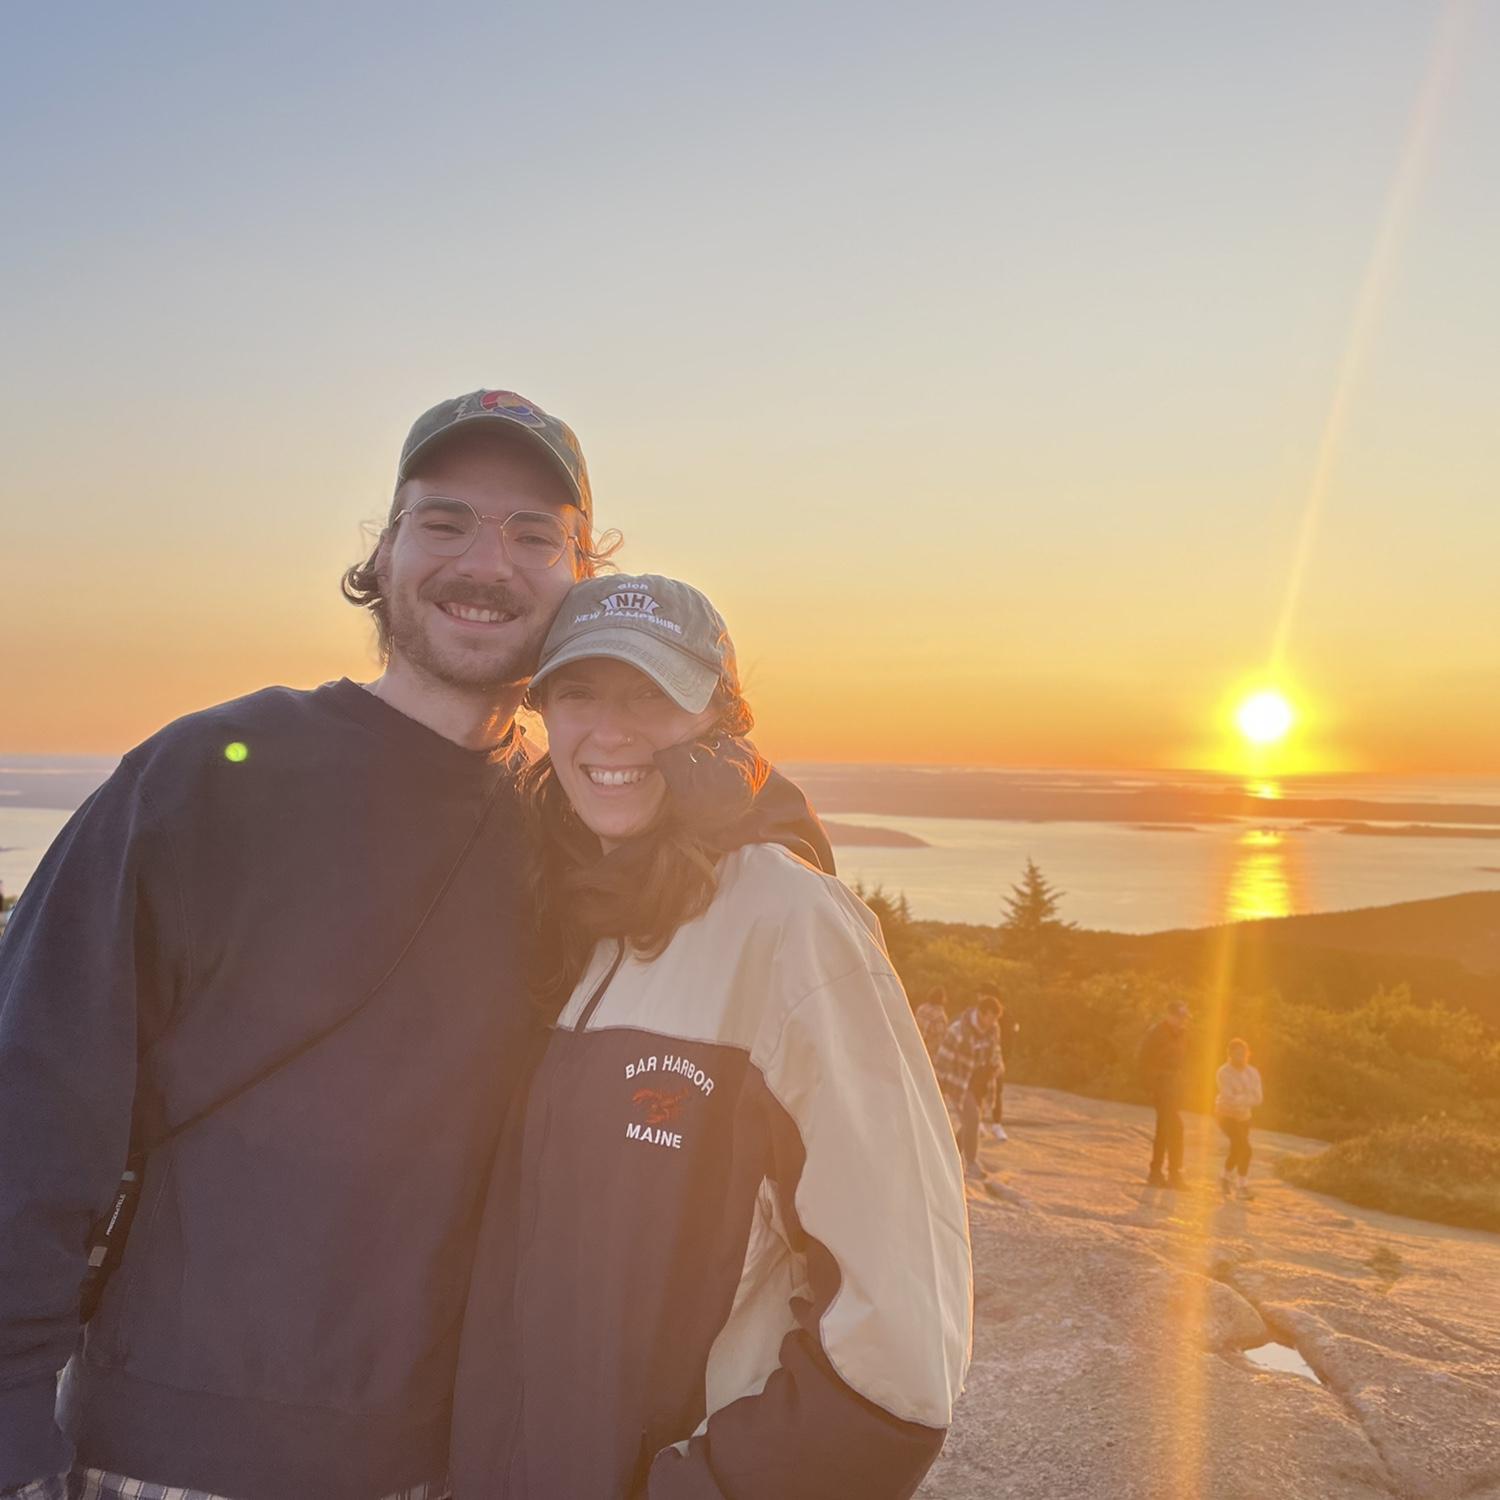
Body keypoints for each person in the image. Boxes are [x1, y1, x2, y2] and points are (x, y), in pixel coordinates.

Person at [0, 393, 828, 1500]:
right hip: (174, 1454)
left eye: (534, 535)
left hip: (451, 1463)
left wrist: (733, 785)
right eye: (444, 524)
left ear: (579, 573)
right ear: (383, 550)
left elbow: (755, 847)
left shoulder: (566, 828)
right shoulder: (210, 774)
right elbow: (32, 1099)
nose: (486, 562)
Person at [451, 574, 970, 1500]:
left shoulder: (789, 921)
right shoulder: (558, 910)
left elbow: (903, 1347)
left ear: (718, 721)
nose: (610, 732)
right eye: (578, 692)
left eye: (651, 694)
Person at [934, 994, 1002, 1179]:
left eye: (996, 1018)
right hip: (958, 1082)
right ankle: (971, 1164)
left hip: (979, 1082)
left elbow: (995, 1050)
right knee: (972, 1118)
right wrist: (937, 1088)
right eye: (991, 1017)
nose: (994, 1022)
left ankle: (949, 1153)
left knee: (970, 1121)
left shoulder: (993, 1028)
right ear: (981, 1013)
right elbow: (942, 1059)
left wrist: (996, 1066)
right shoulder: (958, 1031)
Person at [1139, 999, 1191, 1188]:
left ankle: (1161, 1172)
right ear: (1169, 1015)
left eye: (1184, 1017)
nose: (1181, 1020)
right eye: (1178, 1016)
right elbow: (1144, 1059)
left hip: (1174, 1086)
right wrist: (1150, 1087)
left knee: (1167, 1128)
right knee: (1173, 1128)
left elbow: (1183, 1062)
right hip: (1161, 1085)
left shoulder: (1182, 1034)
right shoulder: (1157, 1033)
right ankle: (1168, 1173)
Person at [1215, 1038, 1264, 1199]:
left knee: (1237, 1149)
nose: (1241, 1057)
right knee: (1245, 1149)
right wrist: (1247, 1097)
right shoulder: (1224, 1072)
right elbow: (1229, 1098)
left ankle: (1224, 1178)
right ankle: (1242, 1187)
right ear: (1230, 1054)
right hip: (1225, 1115)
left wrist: (1241, 1097)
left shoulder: (1253, 1072)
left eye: (1244, 1053)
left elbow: (1259, 1098)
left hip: (1244, 1117)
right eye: (1237, 1054)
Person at [915, 984, 950, 1056]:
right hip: (928, 1054)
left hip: (914, 1046)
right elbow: (939, 1040)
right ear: (942, 999)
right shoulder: (940, 1016)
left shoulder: (921, 1009)